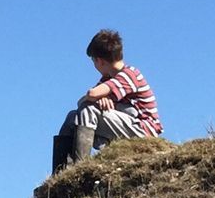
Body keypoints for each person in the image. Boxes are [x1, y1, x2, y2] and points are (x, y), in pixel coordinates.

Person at [51, 28, 163, 173]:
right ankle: (60, 171)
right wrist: (98, 99)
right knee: (73, 116)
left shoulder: (129, 74)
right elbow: (82, 101)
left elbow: (91, 95)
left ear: (100, 61)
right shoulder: (108, 79)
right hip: (126, 123)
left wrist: (96, 98)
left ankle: (80, 168)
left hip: (143, 129)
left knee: (88, 110)